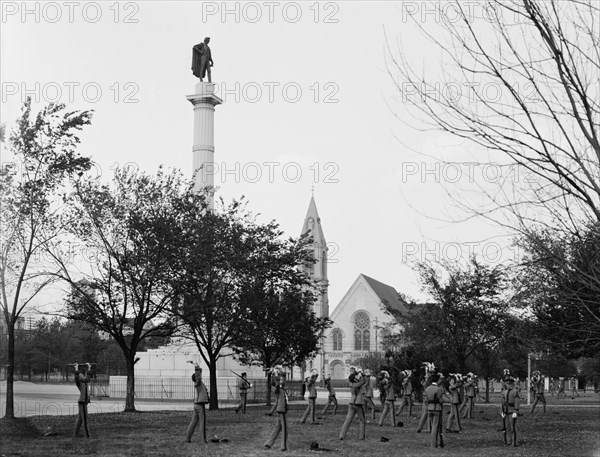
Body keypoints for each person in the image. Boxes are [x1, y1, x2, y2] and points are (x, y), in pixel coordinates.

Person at [339, 367, 367, 441]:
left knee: (348, 420)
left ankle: (342, 435)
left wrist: (356, 374)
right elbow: (364, 381)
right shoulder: (357, 384)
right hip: (358, 403)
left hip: (351, 402)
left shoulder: (350, 383)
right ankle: (361, 437)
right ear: (355, 379)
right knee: (362, 420)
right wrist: (362, 373)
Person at [264, 367, 288, 451]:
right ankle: (283, 446)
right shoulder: (276, 389)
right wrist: (274, 373)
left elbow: (283, 379)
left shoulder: (281, 388)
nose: (281, 381)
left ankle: (268, 443)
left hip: (281, 409)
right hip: (282, 410)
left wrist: (280, 370)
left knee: (278, 427)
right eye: (278, 380)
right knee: (284, 428)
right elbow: (277, 382)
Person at [186, 363, 209, 444]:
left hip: (196, 404)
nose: (200, 376)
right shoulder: (198, 382)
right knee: (202, 423)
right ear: (196, 377)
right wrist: (197, 367)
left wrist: (199, 368)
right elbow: (198, 375)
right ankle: (203, 440)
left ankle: (188, 438)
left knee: (193, 422)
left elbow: (199, 374)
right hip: (200, 405)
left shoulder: (197, 383)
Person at [73, 362, 94, 438]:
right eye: (80, 375)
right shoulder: (80, 383)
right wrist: (76, 369)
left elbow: (88, 378)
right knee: (85, 420)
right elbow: (77, 378)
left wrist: (88, 367)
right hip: (82, 402)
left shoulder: (85, 383)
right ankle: (87, 436)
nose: (82, 376)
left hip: (84, 402)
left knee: (80, 420)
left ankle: (75, 435)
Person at [424, 375, 444, 449]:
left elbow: (426, 400)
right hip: (437, 408)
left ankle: (435, 443)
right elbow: (441, 400)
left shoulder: (427, 388)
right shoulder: (438, 389)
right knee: (436, 427)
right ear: (437, 380)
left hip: (429, 408)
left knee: (432, 426)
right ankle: (434, 444)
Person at [501, 376, 520, 446]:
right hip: (506, 411)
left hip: (512, 411)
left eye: (510, 383)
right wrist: (502, 411)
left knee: (513, 427)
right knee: (507, 427)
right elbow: (502, 402)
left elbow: (517, 402)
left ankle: (514, 442)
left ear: (512, 384)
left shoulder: (515, 392)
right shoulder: (504, 392)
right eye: (507, 383)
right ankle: (508, 441)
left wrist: (515, 410)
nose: (508, 385)